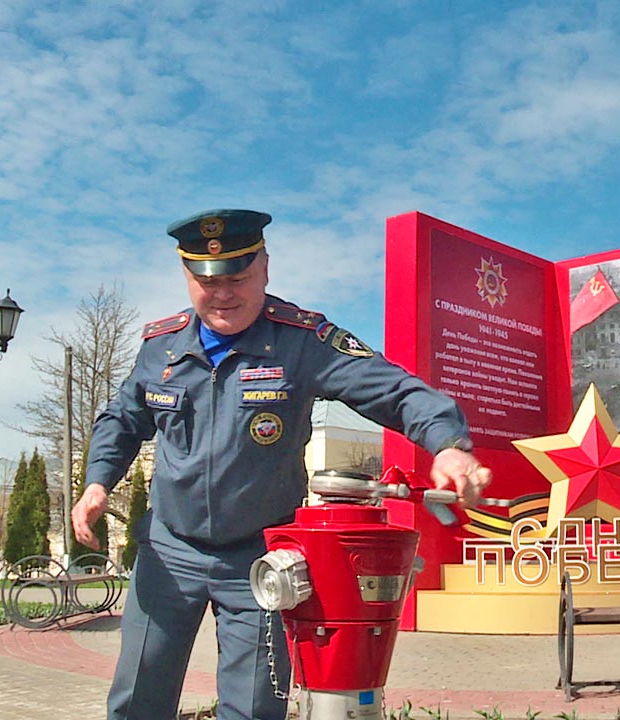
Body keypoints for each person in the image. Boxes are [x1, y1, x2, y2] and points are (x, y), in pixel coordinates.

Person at [71, 208, 492, 720]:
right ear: (187, 276)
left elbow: (395, 390)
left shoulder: (302, 340)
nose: (223, 293)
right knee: (138, 699)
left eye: (239, 278)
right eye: (209, 281)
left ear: (265, 268)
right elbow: (121, 418)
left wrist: (448, 442)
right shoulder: (160, 347)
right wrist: (98, 481)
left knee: (253, 709)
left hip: (261, 560)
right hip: (169, 551)